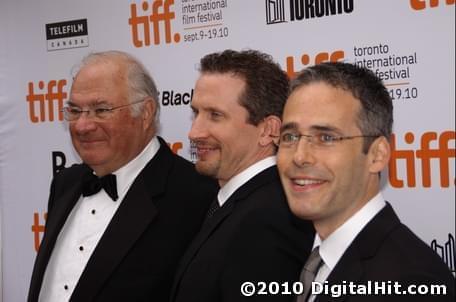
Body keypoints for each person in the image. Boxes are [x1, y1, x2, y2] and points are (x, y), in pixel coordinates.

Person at [27, 50, 217, 302]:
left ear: (146, 112)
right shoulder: (65, 183)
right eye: (74, 110)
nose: (83, 126)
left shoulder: (196, 195)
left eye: (101, 110)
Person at [276, 62, 455, 301]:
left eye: (326, 137)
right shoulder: (316, 257)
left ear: (377, 155)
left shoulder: (411, 284)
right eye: (290, 136)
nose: (299, 156)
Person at [170, 49, 315, 302]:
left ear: (268, 130)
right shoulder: (233, 202)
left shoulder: (270, 219)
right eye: (196, 113)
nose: (194, 132)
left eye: (215, 115)